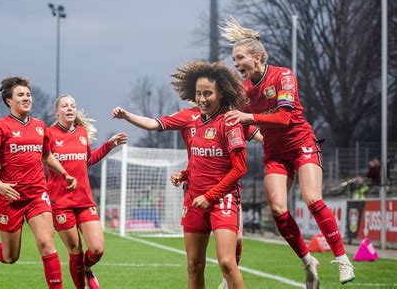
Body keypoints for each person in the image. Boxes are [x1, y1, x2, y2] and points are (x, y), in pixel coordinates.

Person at [220, 17, 355, 287]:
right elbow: (238, 121)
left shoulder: (283, 76)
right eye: (233, 59)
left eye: (239, 58)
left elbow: (283, 118)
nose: (236, 64)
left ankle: (342, 258)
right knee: (279, 210)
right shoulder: (243, 90)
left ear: (256, 57)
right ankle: (308, 263)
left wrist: (249, 118)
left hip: (301, 143)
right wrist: (249, 128)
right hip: (275, 152)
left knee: (313, 199)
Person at [116, 61, 249, 288]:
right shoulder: (189, 117)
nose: (202, 99)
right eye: (199, 93)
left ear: (221, 94)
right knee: (193, 265)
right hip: (194, 198)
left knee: (226, 263)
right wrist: (128, 116)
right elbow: (154, 124)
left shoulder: (230, 122)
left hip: (222, 199)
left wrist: (210, 196)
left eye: (208, 93)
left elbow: (240, 168)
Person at [0, 76, 77, 289]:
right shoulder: (0, 126)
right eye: (21, 95)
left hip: (37, 195)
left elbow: (46, 155)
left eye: (28, 94)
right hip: (10, 197)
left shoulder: (40, 126)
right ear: (9, 101)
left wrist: (64, 174)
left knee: (47, 244)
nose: (27, 98)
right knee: (10, 257)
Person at [47, 94, 128, 289]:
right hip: (61, 203)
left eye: (73, 106)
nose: (69, 109)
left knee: (97, 249)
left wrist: (108, 145)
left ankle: (86, 269)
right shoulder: (48, 134)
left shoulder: (82, 132)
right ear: (57, 111)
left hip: (84, 200)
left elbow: (87, 161)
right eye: (65, 106)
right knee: (75, 250)